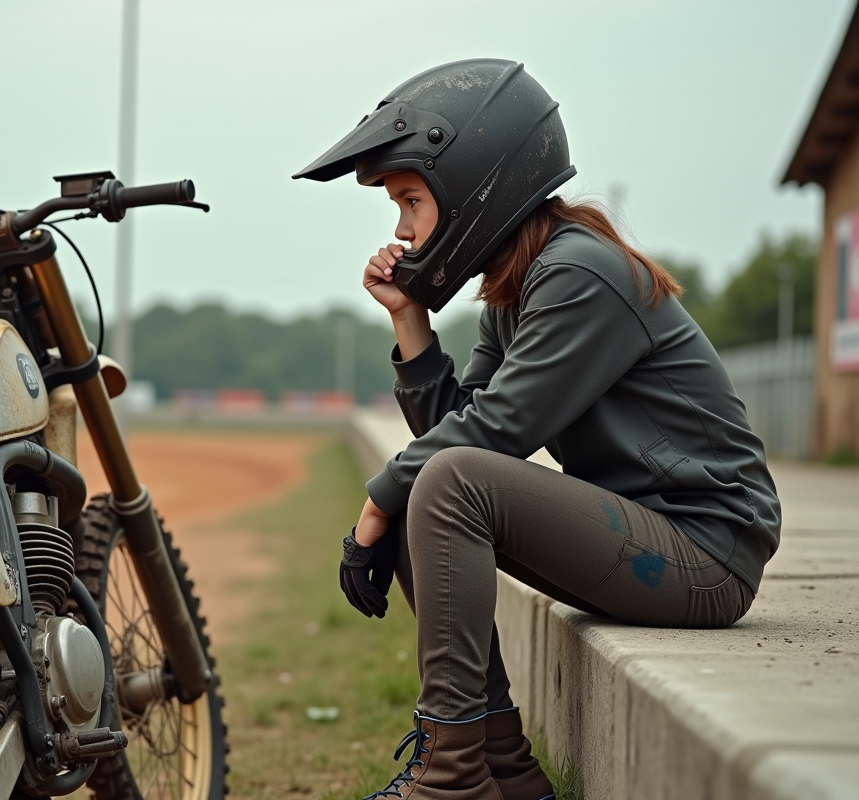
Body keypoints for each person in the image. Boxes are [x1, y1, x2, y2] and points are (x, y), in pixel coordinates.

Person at [292, 59, 781, 800]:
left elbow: (499, 429)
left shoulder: (579, 272)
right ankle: (508, 776)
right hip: (649, 537)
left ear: (475, 184)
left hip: (705, 555)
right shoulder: (517, 288)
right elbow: (463, 426)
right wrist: (409, 319)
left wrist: (375, 503)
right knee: (435, 477)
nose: (401, 228)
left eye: (411, 201)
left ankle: (452, 777)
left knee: (439, 479)